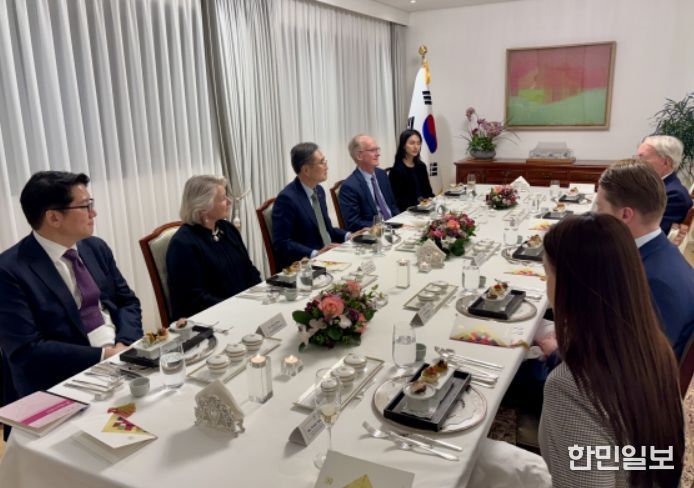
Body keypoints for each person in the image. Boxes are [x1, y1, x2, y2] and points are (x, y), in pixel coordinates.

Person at [539, 213, 683, 487]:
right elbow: (652, 458)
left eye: (548, 274)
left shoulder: (570, 387)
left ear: (569, 286)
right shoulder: (653, 348)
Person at [0, 171, 143, 411]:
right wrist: (103, 357)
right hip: (64, 380)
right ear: (54, 217)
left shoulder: (95, 248)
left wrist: (123, 345)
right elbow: (27, 350)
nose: (93, 213)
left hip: (121, 356)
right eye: (85, 206)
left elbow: (127, 302)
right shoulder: (9, 271)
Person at [595, 159, 694, 359]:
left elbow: (634, 361)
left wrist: (561, 347)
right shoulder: (659, 252)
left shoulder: (655, 283)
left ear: (625, 215)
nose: (595, 215)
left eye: (599, 208)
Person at [166, 175, 261, 319]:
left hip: (242, 309)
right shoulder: (183, 244)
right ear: (203, 207)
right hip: (209, 320)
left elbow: (249, 269)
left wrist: (261, 296)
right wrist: (237, 308)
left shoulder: (228, 229)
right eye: (222, 199)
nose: (229, 201)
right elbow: (195, 299)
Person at [272, 143, 349, 270]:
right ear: (306, 170)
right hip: (307, 266)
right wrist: (315, 253)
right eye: (322, 162)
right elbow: (282, 243)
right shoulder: (287, 199)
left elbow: (326, 230)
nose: (327, 166)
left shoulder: (319, 190)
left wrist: (349, 235)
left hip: (330, 257)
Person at [338, 134, 400, 232]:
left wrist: (400, 221)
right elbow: (353, 223)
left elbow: (392, 205)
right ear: (359, 156)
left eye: (377, 149)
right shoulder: (349, 187)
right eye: (373, 150)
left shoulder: (382, 174)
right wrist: (384, 226)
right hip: (375, 234)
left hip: (395, 227)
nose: (378, 154)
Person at [637, 135, 692, 234]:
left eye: (643, 158)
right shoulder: (652, 186)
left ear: (666, 162)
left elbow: (652, 234)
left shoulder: (674, 195)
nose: (637, 163)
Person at [388, 129, 434, 212]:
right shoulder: (396, 171)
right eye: (412, 143)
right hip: (408, 211)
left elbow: (428, 192)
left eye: (418, 143)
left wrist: (431, 200)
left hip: (425, 208)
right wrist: (420, 203)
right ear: (403, 145)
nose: (416, 147)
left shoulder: (421, 166)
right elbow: (398, 201)